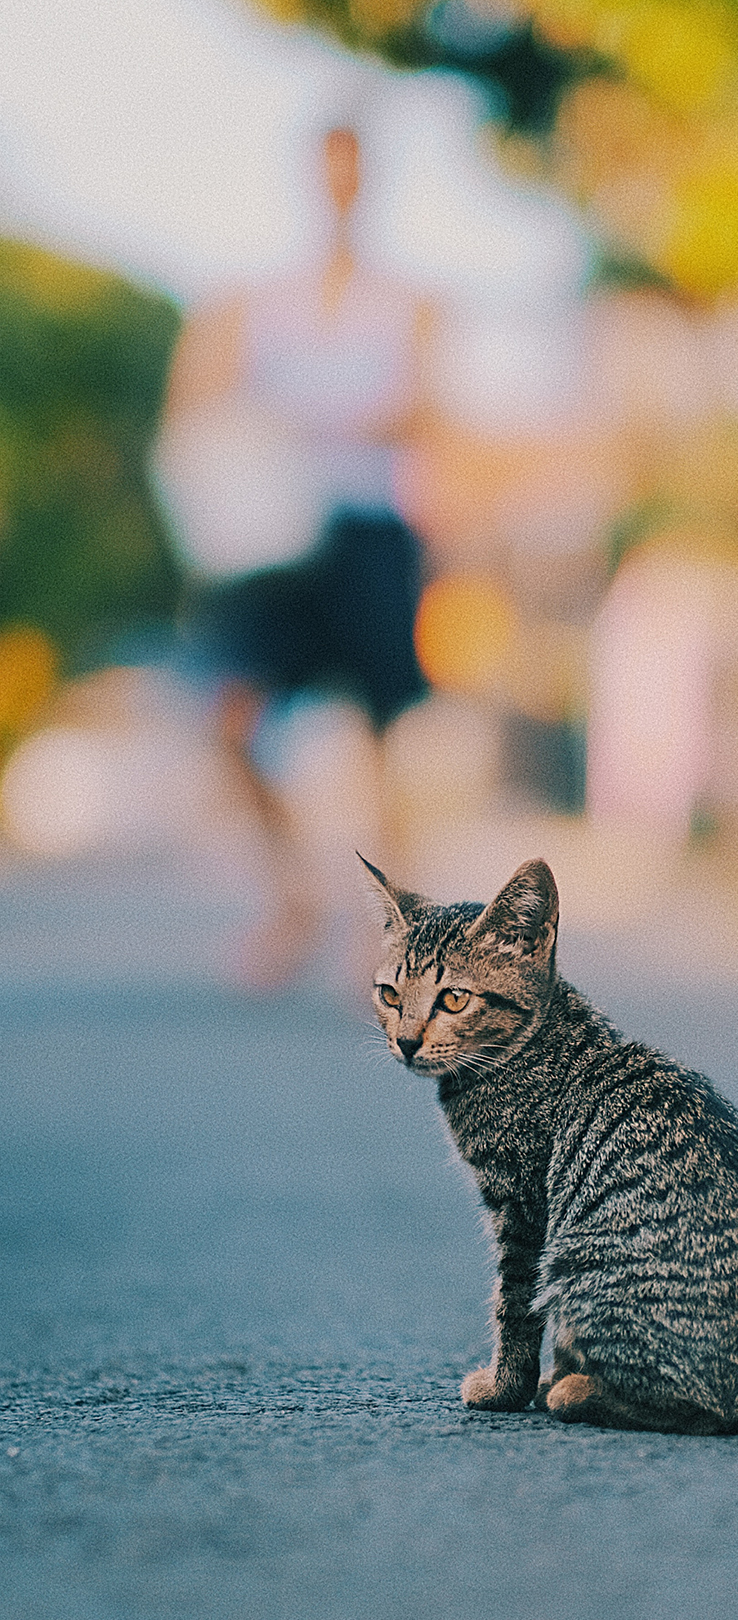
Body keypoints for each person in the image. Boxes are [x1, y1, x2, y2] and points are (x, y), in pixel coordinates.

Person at [156, 124, 431, 984]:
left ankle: (389, 939)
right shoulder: (253, 301)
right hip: (268, 541)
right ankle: (291, 896)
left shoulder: (406, 302)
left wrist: (303, 422)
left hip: (365, 530)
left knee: (381, 742)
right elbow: (193, 411)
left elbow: (425, 409)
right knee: (227, 717)